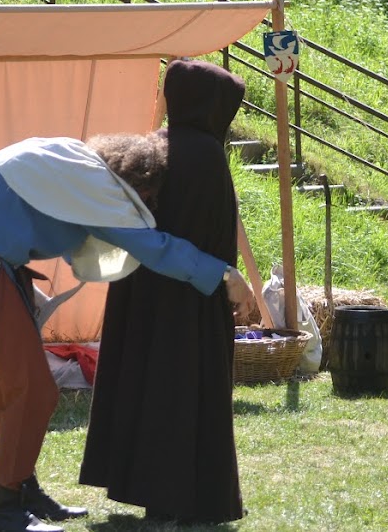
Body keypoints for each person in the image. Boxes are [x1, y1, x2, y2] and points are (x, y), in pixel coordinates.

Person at [0, 132, 252, 532]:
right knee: (31, 391)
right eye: (149, 198)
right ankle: (4, 506)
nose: (149, 206)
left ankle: (22, 489)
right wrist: (225, 275)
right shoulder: (98, 188)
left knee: (8, 388)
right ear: (140, 183)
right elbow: (156, 248)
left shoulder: (78, 162)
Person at [80, 60, 247, 523]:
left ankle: (146, 487)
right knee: (181, 388)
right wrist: (226, 284)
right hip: (193, 295)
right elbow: (214, 233)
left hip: (141, 291)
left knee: (146, 383)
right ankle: (184, 497)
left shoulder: (153, 145)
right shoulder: (207, 156)